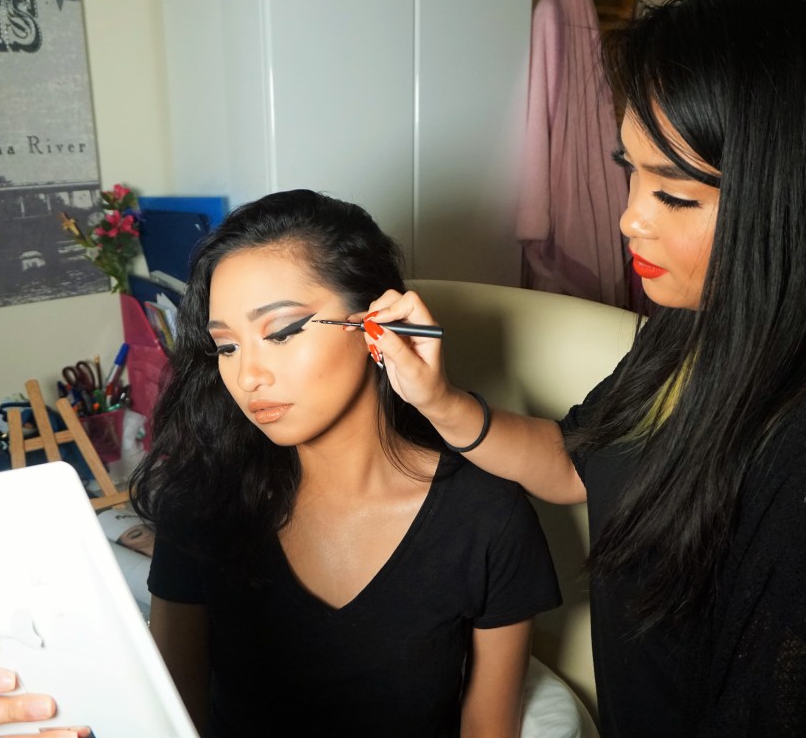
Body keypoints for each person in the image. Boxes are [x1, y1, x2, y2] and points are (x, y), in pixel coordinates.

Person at [357, 0, 806, 735]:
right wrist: (437, 400)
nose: (630, 218)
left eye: (676, 196)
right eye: (628, 171)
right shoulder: (696, 326)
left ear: (799, 199)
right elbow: (576, 464)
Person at [129, 190, 561, 737]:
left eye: (282, 332)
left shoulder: (486, 518)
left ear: (375, 325)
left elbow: (488, 729)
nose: (248, 376)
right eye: (227, 347)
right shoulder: (201, 499)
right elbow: (171, 720)